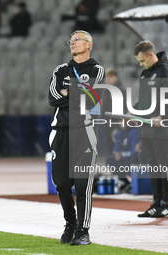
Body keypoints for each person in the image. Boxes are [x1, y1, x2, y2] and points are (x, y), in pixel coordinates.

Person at [48, 30, 105, 245]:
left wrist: (68, 92)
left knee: (82, 185)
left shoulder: (96, 70)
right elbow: (52, 98)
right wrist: (76, 92)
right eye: (70, 40)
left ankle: (83, 231)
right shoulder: (60, 70)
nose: (72, 43)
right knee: (62, 184)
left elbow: (91, 99)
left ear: (88, 44)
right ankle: (70, 223)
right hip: (60, 131)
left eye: (77, 40)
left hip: (85, 132)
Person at [133, 41, 168, 218]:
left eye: (142, 61)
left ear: (151, 55)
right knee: (153, 167)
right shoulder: (145, 74)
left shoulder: (165, 73)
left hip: (162, 129)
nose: (140, 64)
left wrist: (163, 117)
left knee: (163, 165)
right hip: (146, 129)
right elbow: (143, 101)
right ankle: (156, 203)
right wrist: (132, 111)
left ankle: (166, 205)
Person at [102, 68, 127, 154]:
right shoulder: (106, 91)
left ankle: (120, 165)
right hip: (107, 122)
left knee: (117, 145)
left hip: (116, 123)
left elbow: (124, 107)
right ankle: (113, 165)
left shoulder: (121, 90)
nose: (107, 80)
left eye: (110, 77)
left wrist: (121, 121)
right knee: (110, 145)